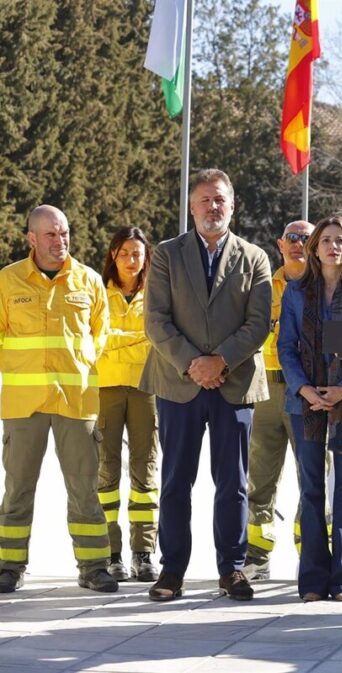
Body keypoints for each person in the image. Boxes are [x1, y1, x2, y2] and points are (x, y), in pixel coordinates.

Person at [141, 169, 272, 602]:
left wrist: (220, 362)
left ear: (232, 206)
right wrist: (194, 364)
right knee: (177, 478)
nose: (212, 207)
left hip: (234, 385)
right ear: (192, 206)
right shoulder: (165, 254)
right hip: (179, 383)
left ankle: (232, 569)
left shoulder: (254, 257)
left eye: (220, 200)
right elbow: (156, 320)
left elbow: (258, 324)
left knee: (232, 481)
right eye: (205, 200)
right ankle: (172, 570)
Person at [0, 205, 118, 593]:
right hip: (24, 403)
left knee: (84, 487)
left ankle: (94, 566)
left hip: (76, 401)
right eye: (50, 234)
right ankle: (8, 565)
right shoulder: (8, 280)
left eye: (64, 233)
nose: (60, 241)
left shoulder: (88, 280)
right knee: (17, 488)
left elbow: (100, 334)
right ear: (31, 238)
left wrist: (79, 363)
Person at [278, 216, 342, 602]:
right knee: (311, 490)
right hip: (305, 404)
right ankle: (314, 580)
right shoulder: (296, 293)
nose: (333, 246)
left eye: (341, 240)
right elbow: (285, 347)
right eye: (326, 240)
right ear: (315, 247)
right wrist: (305, 389)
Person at [245, 219, 319, 580]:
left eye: (305, 238)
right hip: (265, 389)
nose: (298, 244)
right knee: (259, 479)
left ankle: (312, 556)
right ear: (279, 243)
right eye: (291, 238)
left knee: (312, 477)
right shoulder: (261, 285)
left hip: (305, 391)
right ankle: (257, 558)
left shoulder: (323, 286)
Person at [96, 227, 160, 583]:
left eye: (137, 253)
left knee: (144, 469)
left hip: (145, 387)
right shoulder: (97, 292)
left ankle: (144, 551)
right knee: (106, 469)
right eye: (124, 253)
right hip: (105, 388)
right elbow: (98, 341)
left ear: (145, 256)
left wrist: (121, 342)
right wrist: (139, 339)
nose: (131, 260)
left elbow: (159, 339)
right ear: (113, 256)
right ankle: (111, 551)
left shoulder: (156, 293)